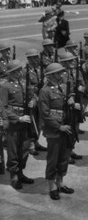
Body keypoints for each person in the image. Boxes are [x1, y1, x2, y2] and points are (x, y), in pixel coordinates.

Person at [38, 63, 78, 200]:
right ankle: (52, 186)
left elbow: (69, 100)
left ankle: (60, 182)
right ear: (51, 75)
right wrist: (58, 127)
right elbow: (45, 114)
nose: (61, 74)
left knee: (64, 157)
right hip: (54, 131)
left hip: (67, 127)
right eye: (58, 72)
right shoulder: (45, 91)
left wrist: (72, 100)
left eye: (61, 72)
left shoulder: (64, 86)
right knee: (53, 159)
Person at [0, 60, 36, 189]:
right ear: (10, 73)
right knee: (13, 150)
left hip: (26, 121)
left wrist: (33, 101)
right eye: (15, 71)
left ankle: (21, 172)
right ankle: (14, 176)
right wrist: (18, 118)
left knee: (25, 148)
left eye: (19, 70)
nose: (18, 73)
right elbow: (3, 107)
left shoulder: (24, 84)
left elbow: (33, 96)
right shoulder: (5, 86)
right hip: (14, 123)